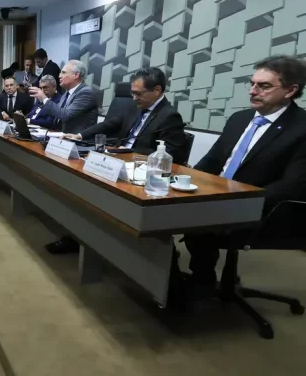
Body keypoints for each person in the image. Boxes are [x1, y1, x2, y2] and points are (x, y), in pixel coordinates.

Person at [183, 56, 306, 291]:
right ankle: (182, 276)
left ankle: (202, 281)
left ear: (290, 90)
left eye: (264, 86)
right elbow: (213, 160)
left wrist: (238, 201)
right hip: (219, 197)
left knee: (191, 220)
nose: (253, 91)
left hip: (265, 209)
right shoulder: (239, 119)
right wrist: (185, 181)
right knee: (165, 208)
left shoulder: (301, 127)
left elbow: (293, 186)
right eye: (251, 84)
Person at [49, 67, 188, 255]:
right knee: (82, 185)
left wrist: (128, 151)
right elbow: (110, 124)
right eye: (132, 93)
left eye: (139, 93)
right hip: (118, 162)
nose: (134, 98)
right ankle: (79, 235)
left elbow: (170, 154)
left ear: (157, 90)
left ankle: (84, 238)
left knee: (94, 193)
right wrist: (80, 135)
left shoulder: (169, 116)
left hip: (141, 175)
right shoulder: (135, 107)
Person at [28, 60, 97, 134]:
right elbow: (56, 116)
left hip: (78, 139)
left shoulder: (86, 93)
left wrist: (44, 98)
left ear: (76, 75)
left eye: (63, 73)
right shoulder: (66, 93)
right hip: (62, 136)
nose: (59, 76)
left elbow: (66, 115)